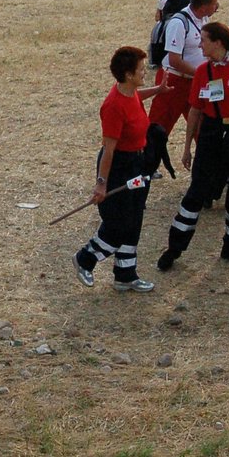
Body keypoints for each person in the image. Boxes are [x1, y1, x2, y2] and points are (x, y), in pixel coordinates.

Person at [158, 22, 229, 271]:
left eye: (204, 40)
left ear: (218, 42)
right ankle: (174, 248)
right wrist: (187, 146)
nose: (200, 45)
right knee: (197, 192)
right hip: (211, 134)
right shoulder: (202, 72)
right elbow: (196, 110)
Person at [73, 46, 163, 292]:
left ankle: (125, 274)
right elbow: (109, 150)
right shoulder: (113, 106)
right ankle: (85, 259)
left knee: (134, 220)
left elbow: (137, 97)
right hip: (119, 167)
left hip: (136, 163)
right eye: (141, 70)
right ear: (128, 74)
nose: (145, 72)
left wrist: (158, 90)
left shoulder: (130, 92)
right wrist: (101, 183)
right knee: (119, 224)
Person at [149, 0, 218, 139]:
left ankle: (205, 162)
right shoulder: (179, 23)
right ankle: (146, 160)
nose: (217, 6)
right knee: (158, 128)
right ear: (203, 7)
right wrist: (201, 74)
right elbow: (174, 60)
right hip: (174, 82)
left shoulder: (204, 18)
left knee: (202, 128)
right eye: (214, 3)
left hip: (195, 82)